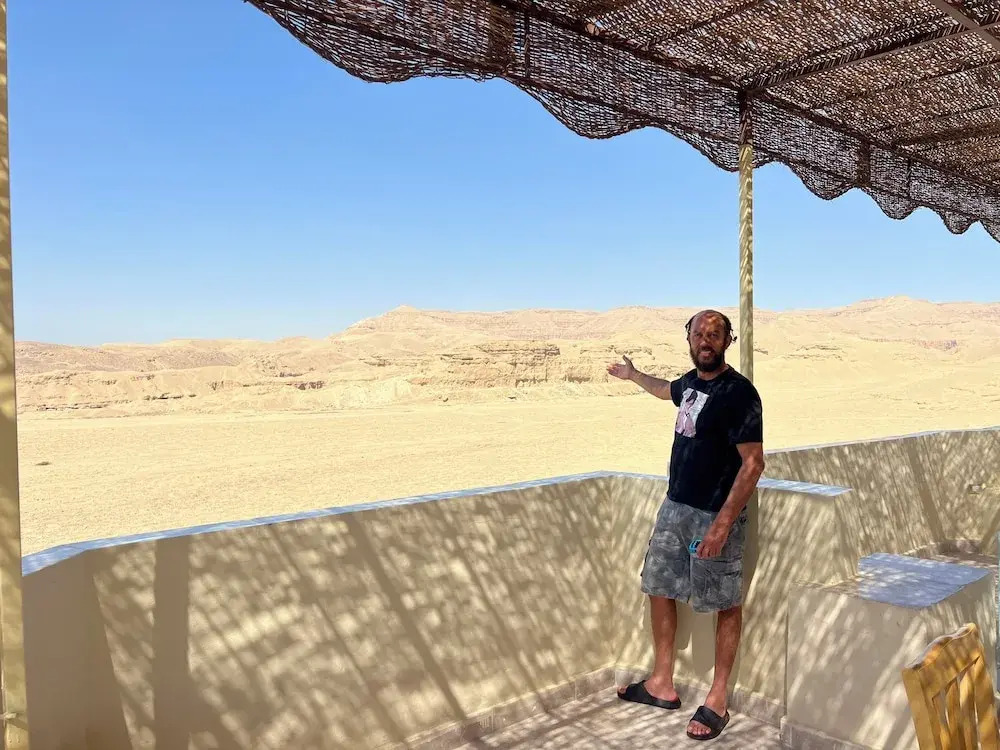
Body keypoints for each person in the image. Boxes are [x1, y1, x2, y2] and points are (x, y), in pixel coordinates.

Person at [606, 309, 764, 742]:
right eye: (699, 333)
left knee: (725, 602)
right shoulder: (691, 383)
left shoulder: (740, 393)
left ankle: (717, 699)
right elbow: (666, 390)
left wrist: (722, 526)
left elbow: (753, 464)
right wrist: (634, 375)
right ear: (689, 338)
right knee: (658, 586)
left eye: (715, 334)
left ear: (727, 341)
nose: (705, 340)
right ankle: (662, 683)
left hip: (714, 515)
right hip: (675, 508)